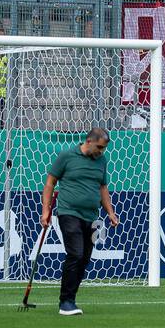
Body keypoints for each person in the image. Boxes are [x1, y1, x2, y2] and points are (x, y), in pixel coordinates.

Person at [42, 128, 120, 317]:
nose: (101, 151)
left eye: (104, 148)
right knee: (75, 254)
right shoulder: (67, 156)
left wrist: (110, 212)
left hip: (91, 216)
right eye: (100, 147)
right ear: (89, 141)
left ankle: (71, 299)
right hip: (68, 212)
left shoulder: (101, 161)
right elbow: (50, 182)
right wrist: (46, 210)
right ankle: (65, 302)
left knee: (84, 258)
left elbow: (102, 187)